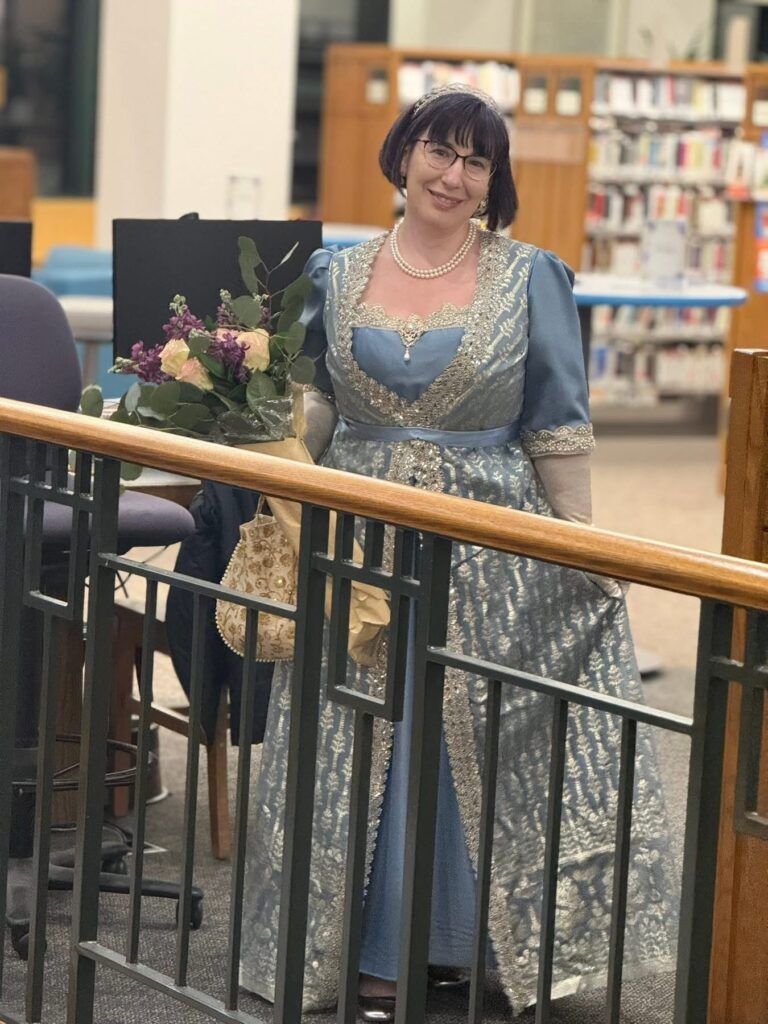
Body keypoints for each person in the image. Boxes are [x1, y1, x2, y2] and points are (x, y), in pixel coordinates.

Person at [240, 83, 677, 1021]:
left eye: (476, 161)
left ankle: (487, 948)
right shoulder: (333, 272)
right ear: (402, 156)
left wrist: (586, 550)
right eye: (439, 150)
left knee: (484, 730)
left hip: (491, 548)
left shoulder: (533, 277)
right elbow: (315, 406)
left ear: (493, 182)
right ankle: (368, 952)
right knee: (364, 724)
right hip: (355, 540)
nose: (454, 173)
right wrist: (257, 434)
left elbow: (559, 427)